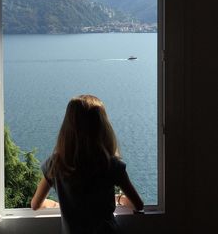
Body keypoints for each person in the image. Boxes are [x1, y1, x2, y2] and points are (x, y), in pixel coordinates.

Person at [31, 95, 144, 234]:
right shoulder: (112, 165)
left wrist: (55, 204)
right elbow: (138, 205)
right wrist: (120, 199)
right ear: (103, 128)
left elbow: (35, 204)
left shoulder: (55, 164)